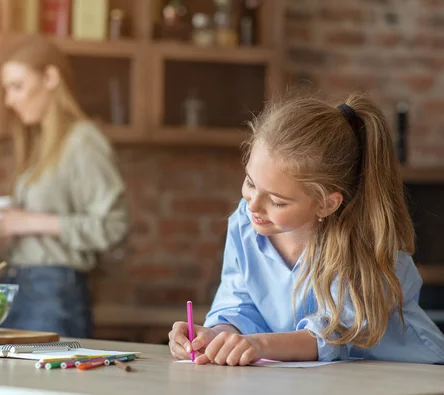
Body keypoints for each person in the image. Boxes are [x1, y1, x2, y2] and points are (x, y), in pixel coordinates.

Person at [168, 93, 444, 365]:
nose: (253, 206)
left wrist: (258, 344)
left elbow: (335, 334)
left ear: (326, 204)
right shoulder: (245, 223)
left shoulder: (367, 242)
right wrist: (216, 338)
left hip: (409, 376)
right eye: (251, 183)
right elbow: (239, 306)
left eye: (277, 201)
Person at [0, 37, 128, 338]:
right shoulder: (40, 145)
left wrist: (27, 222)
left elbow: (113, 226)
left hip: (55, 292)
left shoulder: (83, 141)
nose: (9, 100)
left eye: (17, 86)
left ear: (50, 78)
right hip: (21, 284)